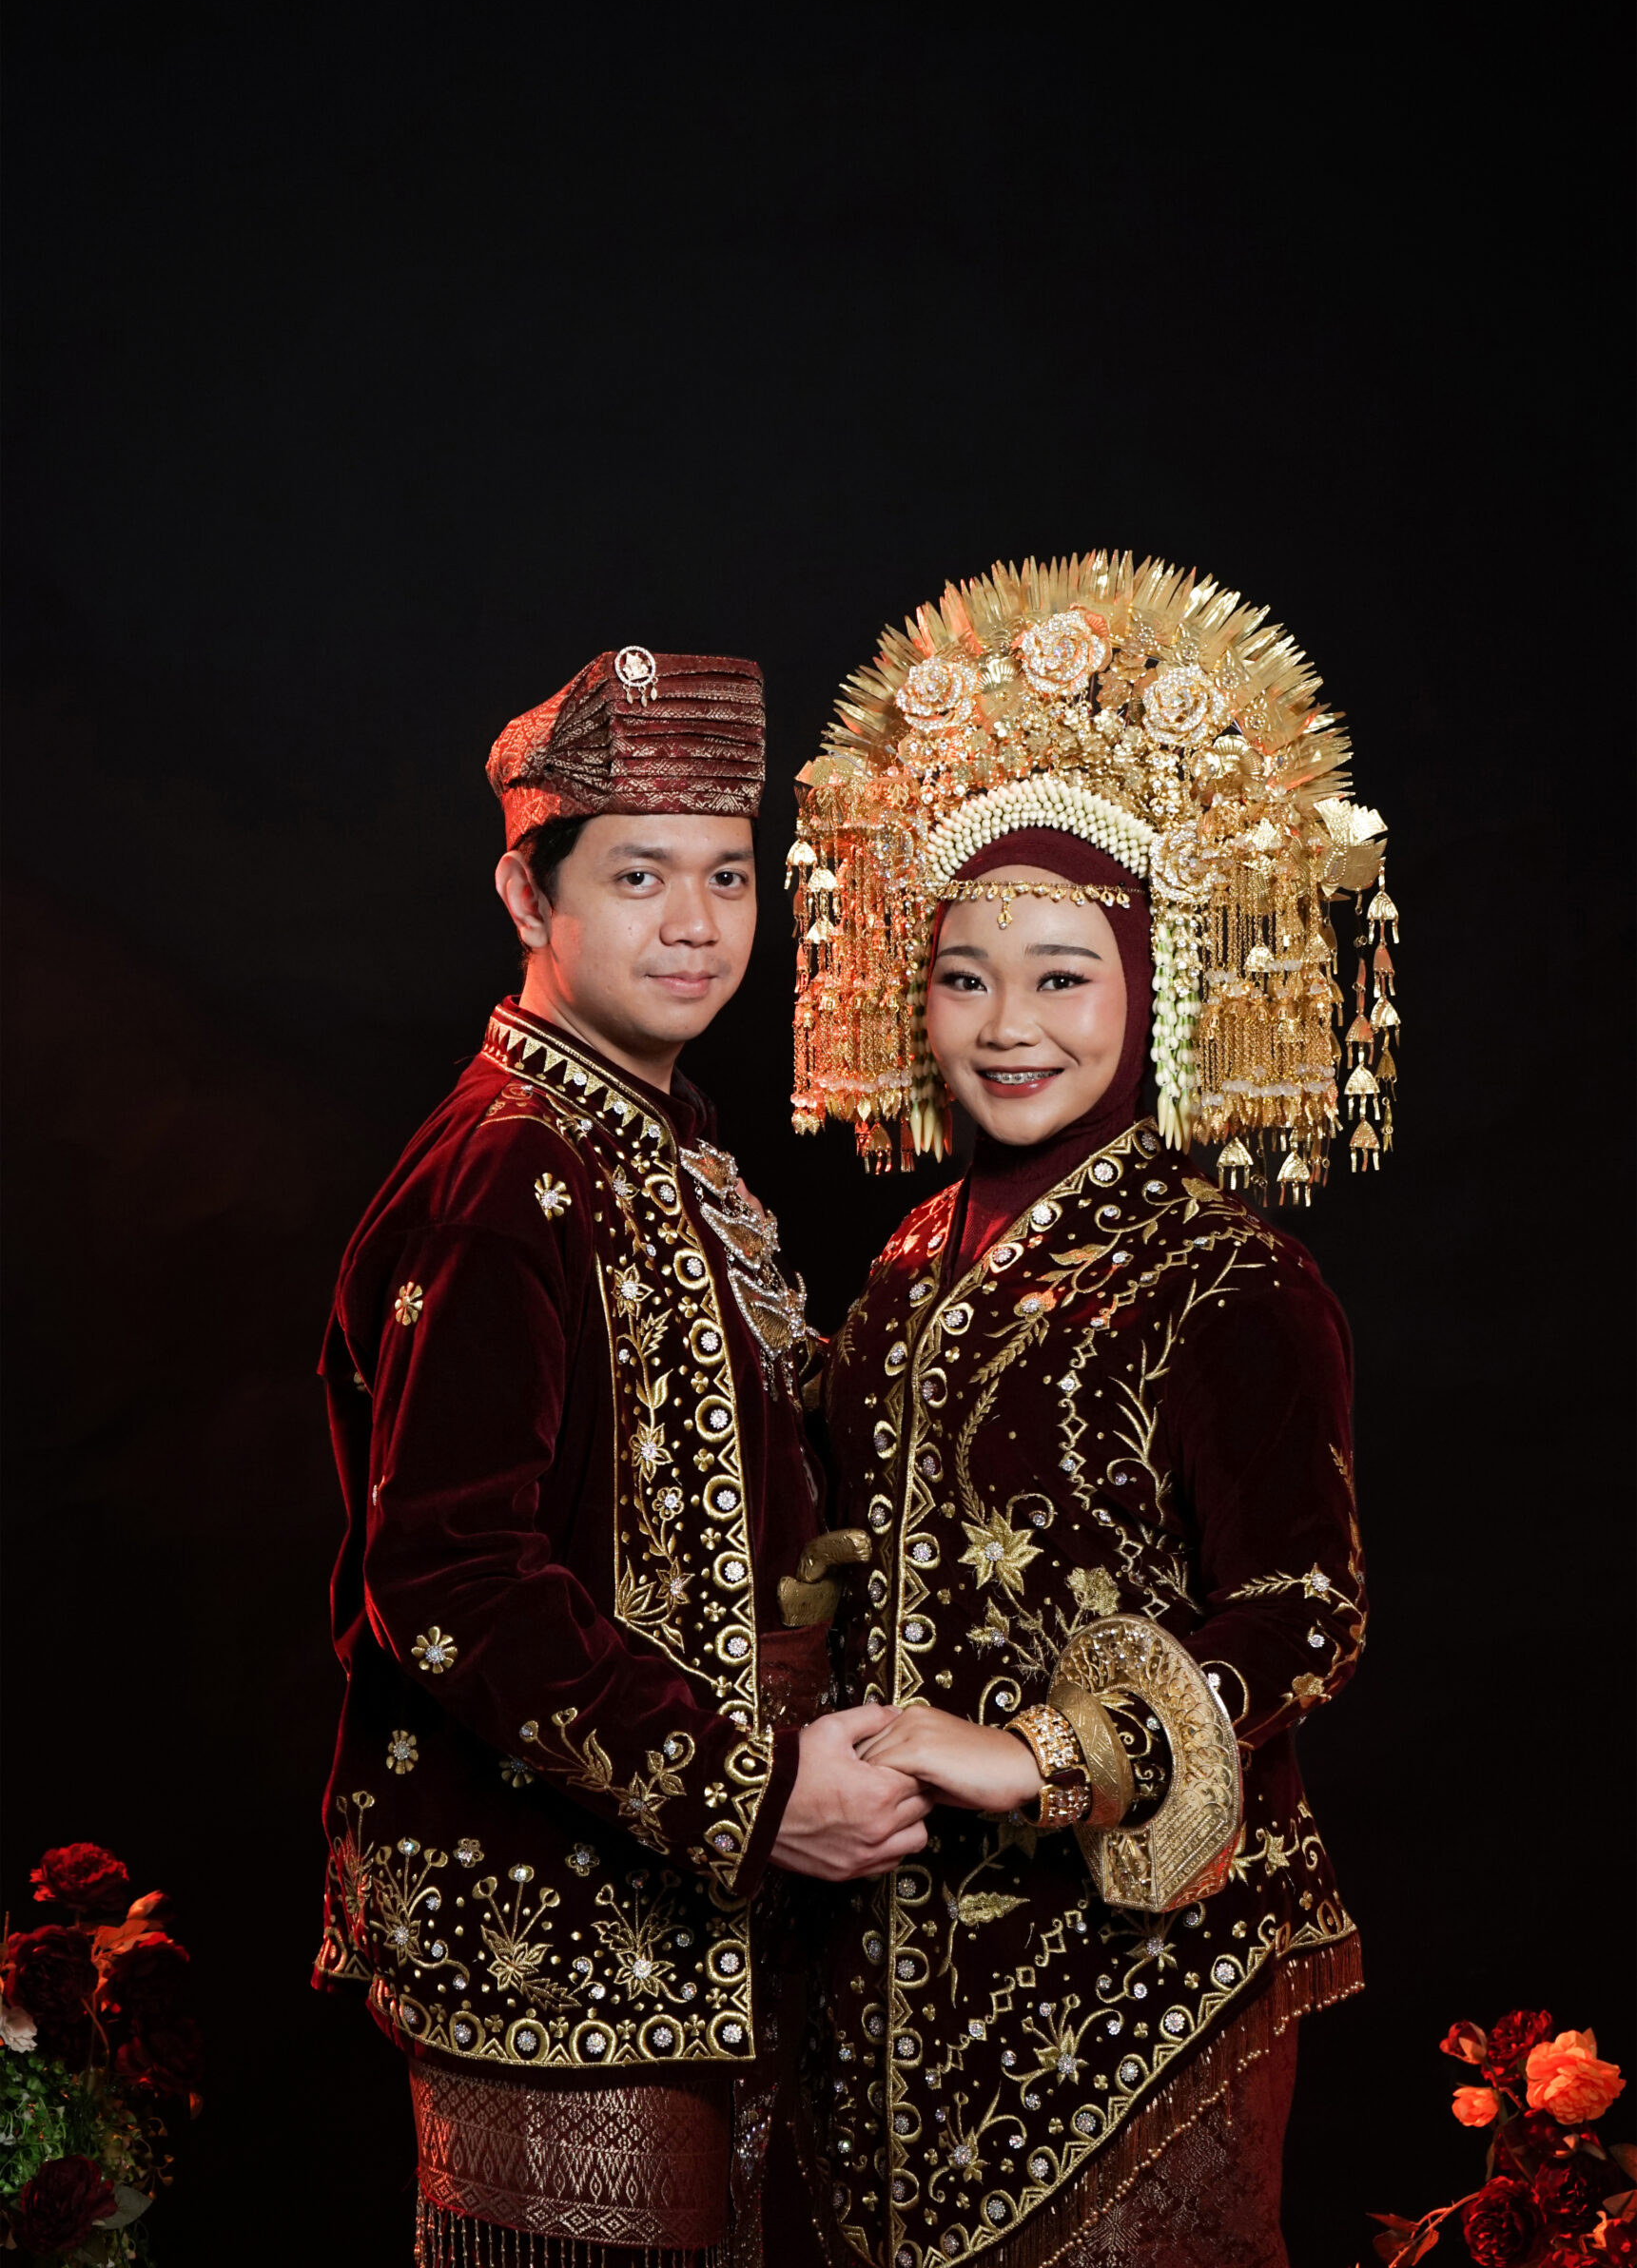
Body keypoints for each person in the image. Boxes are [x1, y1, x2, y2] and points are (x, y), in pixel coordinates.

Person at [787, 556, 1397, 2267]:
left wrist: (1042, 1754)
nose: (1004, 1029)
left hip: (1140, 1985)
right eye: (962, 977)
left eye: (1060, 976)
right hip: (880, 1978)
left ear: (1157, 987)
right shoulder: (904, 1261)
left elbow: (1304, 1610)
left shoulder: (1225, 1279)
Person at [312, 647, 929, 2268]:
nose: (695, 924)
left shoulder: (658, 1136)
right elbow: (444, 1579)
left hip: (707, 1927)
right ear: (529, 894)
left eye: (726, 876)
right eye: (638, 876)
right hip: (561, 1939)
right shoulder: (505, 1170)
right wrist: (753, 1791)